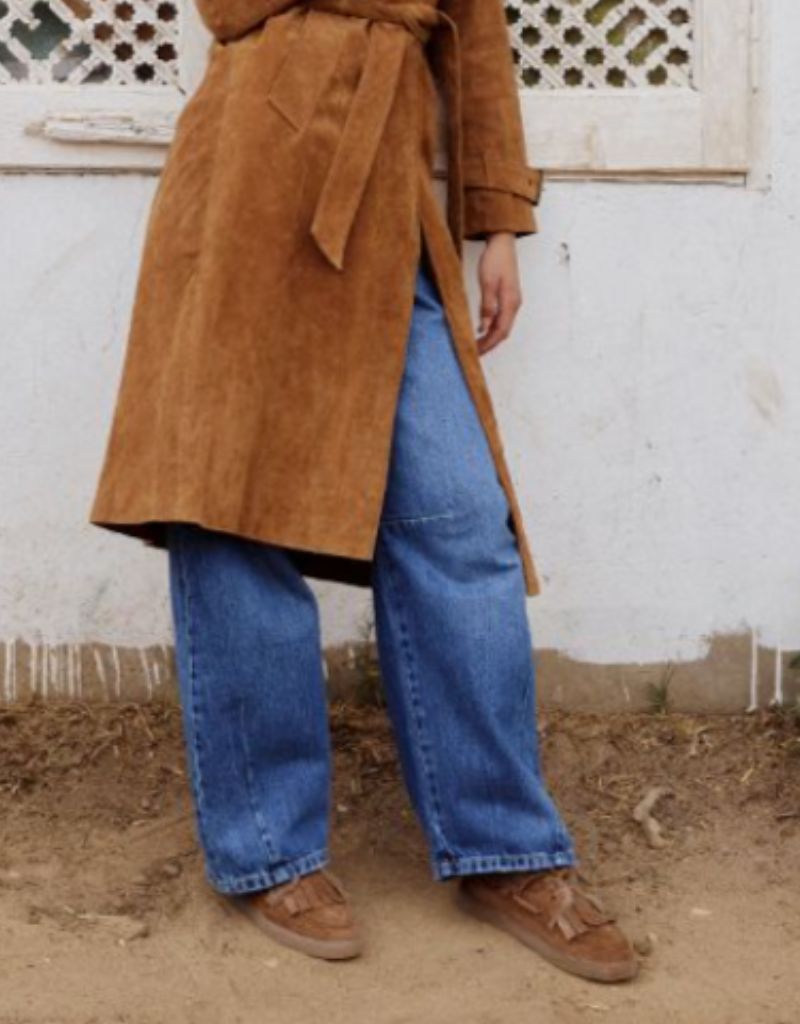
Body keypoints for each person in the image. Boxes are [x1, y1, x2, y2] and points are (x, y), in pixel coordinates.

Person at [90, 0, 638, 982]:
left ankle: (505, 851)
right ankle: (269, 849)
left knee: (461, 525)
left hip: (386, 208)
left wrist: (496, 219)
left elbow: (473, 40)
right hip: (240, 190)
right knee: (231, 515)